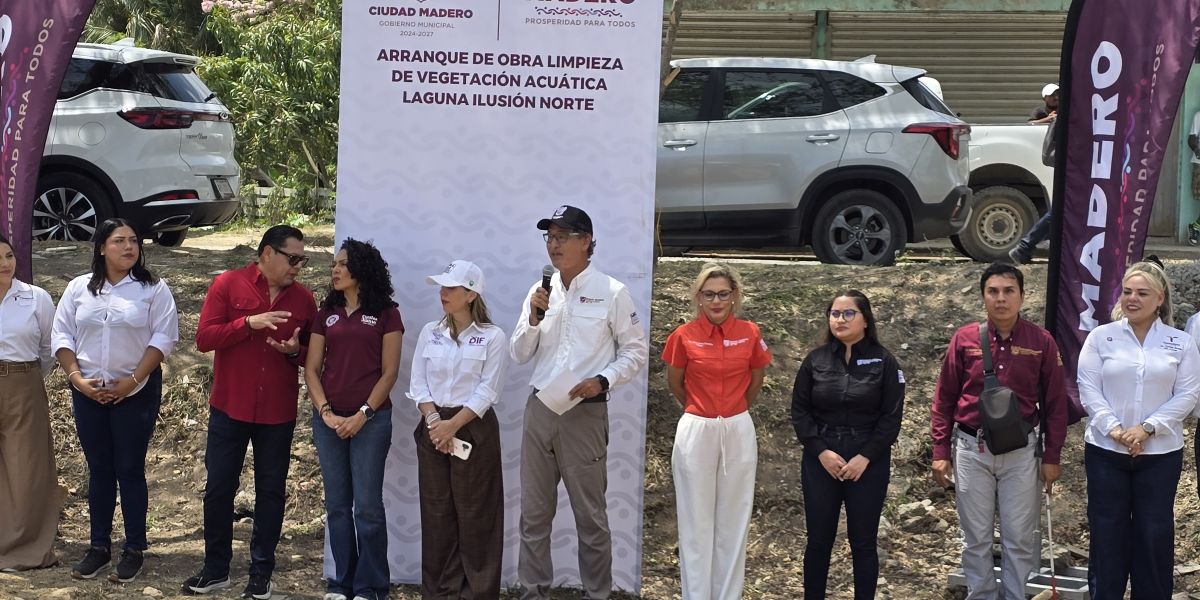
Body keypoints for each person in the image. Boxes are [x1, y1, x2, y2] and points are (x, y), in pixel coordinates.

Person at [510, 205, 648, 600]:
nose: (553, 245)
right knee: (534, 513)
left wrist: (602, 380)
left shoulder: (613, 292)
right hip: (540, 409)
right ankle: (533, 591)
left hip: (584, 412)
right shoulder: (540, 291)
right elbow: (519, 353)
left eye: (562, 237)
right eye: (549, 237)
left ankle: (597, 593)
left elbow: (635, 352)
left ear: (586, 242)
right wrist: (534, 318)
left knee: (590, 516)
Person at [183, 225, 317, 599]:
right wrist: (247, 324)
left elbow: (315, 356)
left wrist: (294, 352)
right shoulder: (228, 284)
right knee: (219, 489)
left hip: (277, 411)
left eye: (302, 260)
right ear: (267, 253)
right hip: (231, 406)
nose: (298, 266)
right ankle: (215, 570)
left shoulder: (305, 301)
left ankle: (261, 572)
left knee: (271, 492)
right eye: (293, 258)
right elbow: (205, 338)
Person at [930, 262, 1068, 600]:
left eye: (1009, 291)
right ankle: (981, 595)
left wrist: (1052, 457)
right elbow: (944, 397)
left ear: (1022, 296)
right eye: (993, 292)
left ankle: (1015, 595)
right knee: (974, 536)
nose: (1001, 299)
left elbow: (1055, 405)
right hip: (971, 448)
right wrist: (940, 452)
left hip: (1022, 453)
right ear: (983, 296)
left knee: (1019, 537)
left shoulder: (1041, 341)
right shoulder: (964, 339)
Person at [52, 218, 179, 582]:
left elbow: (163, 338)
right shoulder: (79, 288)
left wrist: (132, 381)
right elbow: (62, 336)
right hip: (87, 392)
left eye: (134, 241)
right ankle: (99, 547)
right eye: (119, 240)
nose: (129, 247)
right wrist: (78, 380)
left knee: (129, 467)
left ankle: (135, 548)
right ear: (101, 247)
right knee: (100, 468)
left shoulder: (152, 289)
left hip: (135, 393)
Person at [1078, 261, 1199, 599]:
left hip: (1160, 456)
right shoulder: (1102, 337)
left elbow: (1188, 394)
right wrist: (1115, 430)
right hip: (1106, 453)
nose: (1132, 298)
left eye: (1142, 293)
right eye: (1128, 291)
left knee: (1154, 535)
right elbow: (1087, 387)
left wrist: (1147, 428)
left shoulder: (1180, 342)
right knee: (1107, 535)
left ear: (1159, 298)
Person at [662, 263, 771, 600]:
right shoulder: (683, 336)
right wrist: (703, 411)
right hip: (697, 428)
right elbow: (675, 383)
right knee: (696, 523)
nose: (716, 301)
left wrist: (733, 411)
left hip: (738, 427)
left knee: (733, 521)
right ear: (698, 297)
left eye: (723, 293)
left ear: (734, 295)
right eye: (708, 294)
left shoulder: (751, 332)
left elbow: (755, 381)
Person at [305, 239, 403, 600]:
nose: (335, 269)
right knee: (336, 506)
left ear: (362, 268)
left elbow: (390, 372)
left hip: (371, 422)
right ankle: (341, 583)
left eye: (343, 263)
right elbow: (312, 370)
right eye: (334, 263)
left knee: (367, 508)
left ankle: (372, 587)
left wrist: (364, 414)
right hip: (328, 422)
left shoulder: (387, 312)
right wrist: (326, 412)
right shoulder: (326, 310)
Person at [792, 290, 903, 600]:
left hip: (868, 462)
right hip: (821, 459)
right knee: (818, 540)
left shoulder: (884, 361)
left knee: (863, 542)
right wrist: (821, 452)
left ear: (865, 319)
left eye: (848, 313)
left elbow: (891, 418)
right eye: (835, 314)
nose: (840, 319)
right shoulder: (815, 360)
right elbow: (800, 412)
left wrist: (864, 458)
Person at [409, 259, 508, 599]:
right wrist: (436, 422)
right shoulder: (429, 332)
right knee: (437, 514)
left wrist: (452, 425)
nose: (443, 293)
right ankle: (439, 592)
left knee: (477, 513)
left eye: (450, 288)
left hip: (473, 428)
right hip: (433, 428)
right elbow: (418, 384)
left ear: (470, 294)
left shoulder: (493, 337)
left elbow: (488, 391)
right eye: (442, 287)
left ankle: (478, 592)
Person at [0, 233, 63, 572]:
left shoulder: (35, 298)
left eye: (8, 256)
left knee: (25, 466)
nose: (4, 264)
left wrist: (22, 376)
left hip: (22, 383)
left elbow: (48, 349)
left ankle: (22, 547)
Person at [1008, 83, 1060, 264]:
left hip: (1069, 164)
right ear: (1044, 98)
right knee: (1060, 209)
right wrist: (1049, 120)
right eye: (1052, 95)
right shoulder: (1042, 112)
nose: (1055, 98)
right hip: (1066, 164)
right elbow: (1029, 124)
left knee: (1061, 210)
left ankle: (1032, 247)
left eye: (1057, 94)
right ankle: (1025, 246)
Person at [1186, 111, 1200, 245]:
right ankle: (1195, 227)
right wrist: (1197, 150)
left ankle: (1195, 226)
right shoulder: (1198, 116)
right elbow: (1191, 139)